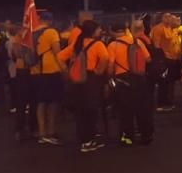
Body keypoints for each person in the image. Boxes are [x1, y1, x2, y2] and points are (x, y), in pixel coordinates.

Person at [58, 20, 109, 152]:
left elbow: (60, 57)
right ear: (93, 31)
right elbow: (105, 58)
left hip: (77, 80)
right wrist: (99, 70)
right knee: (91, 110)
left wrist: (66, 71)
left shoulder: (77, 44)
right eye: (98, 29)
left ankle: (83, 139)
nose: (100, 31)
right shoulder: (98, 44)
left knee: (80, 111)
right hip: (91, 80)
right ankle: (89, 140)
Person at [107, 21, 152, 146]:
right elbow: (148, 59)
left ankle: (128, 137)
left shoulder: (113, 45)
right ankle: (146, 135)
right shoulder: (137, 42)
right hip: (139, 78)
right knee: (142, 108)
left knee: (126, 110)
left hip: (123, 80)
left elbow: (110, 65)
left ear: (113, 31)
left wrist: (109, 77)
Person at [30, 11, 66, 145]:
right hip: (50, 70)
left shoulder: (31, 33)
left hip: (35, 71)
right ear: (50, 21)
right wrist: (64, 69)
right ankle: (50, 132)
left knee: (40, 102)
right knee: (53, 102)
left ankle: (41, 133)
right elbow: (58, 52)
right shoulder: (51, 32)